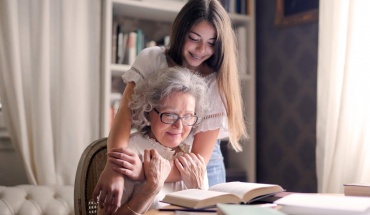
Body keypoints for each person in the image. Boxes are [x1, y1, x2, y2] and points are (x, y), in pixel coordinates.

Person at [93, 0, 248, 213]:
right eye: (194, 39)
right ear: (180, 33)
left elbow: (199, 158)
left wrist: (143, 173)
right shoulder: (152, 59)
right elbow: (123, 116)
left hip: (198, 162)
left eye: (212, 43)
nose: (202, 50)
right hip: (152, 150)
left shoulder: (216, 82)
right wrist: (115, 168)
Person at [97, 67, 208, 214]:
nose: (179, 126)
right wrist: (149, 190)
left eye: (188, 116)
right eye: (169, 115)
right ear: (148, 112)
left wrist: (198, 191)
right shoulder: (130, 153)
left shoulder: (193, 158)